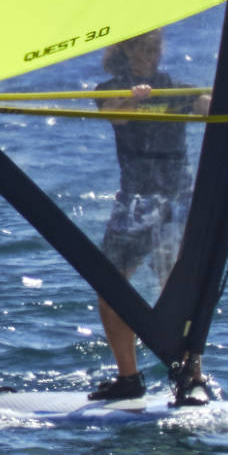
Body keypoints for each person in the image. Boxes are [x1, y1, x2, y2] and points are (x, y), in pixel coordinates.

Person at [86, 30, 208, 401]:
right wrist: (134, 101)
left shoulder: (173, 88)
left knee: (176, 289)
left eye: (154, 49)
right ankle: (129, 378)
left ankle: (191, 376)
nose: (149, 57)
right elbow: (114, 116)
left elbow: (206, 105)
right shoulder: (110, 88)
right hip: (135, 204)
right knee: (110, 289)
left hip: (177, 202)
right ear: (125, 53)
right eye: (141, 50)